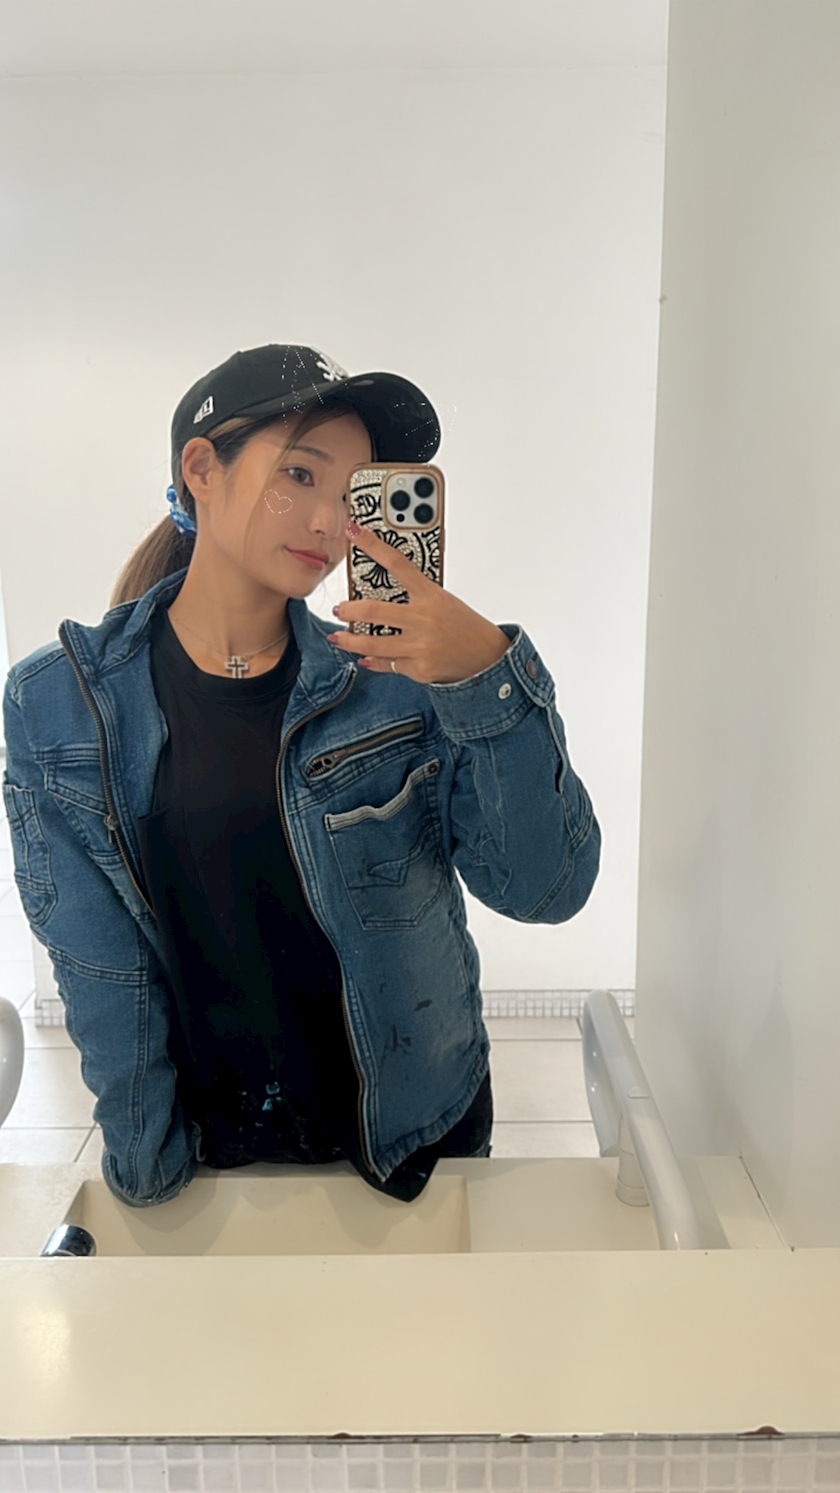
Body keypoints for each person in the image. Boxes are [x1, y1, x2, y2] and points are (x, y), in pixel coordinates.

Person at [2, 343, 601, 1208]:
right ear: (201, 469)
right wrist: (147, 1169)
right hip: (219, 1161)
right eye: (300, 474)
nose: (330, 522)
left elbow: (546, 889)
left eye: (354, 492)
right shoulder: (64, 704)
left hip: (417, 1138)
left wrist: (488, 679)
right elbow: (101, 966)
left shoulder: (397, 684)